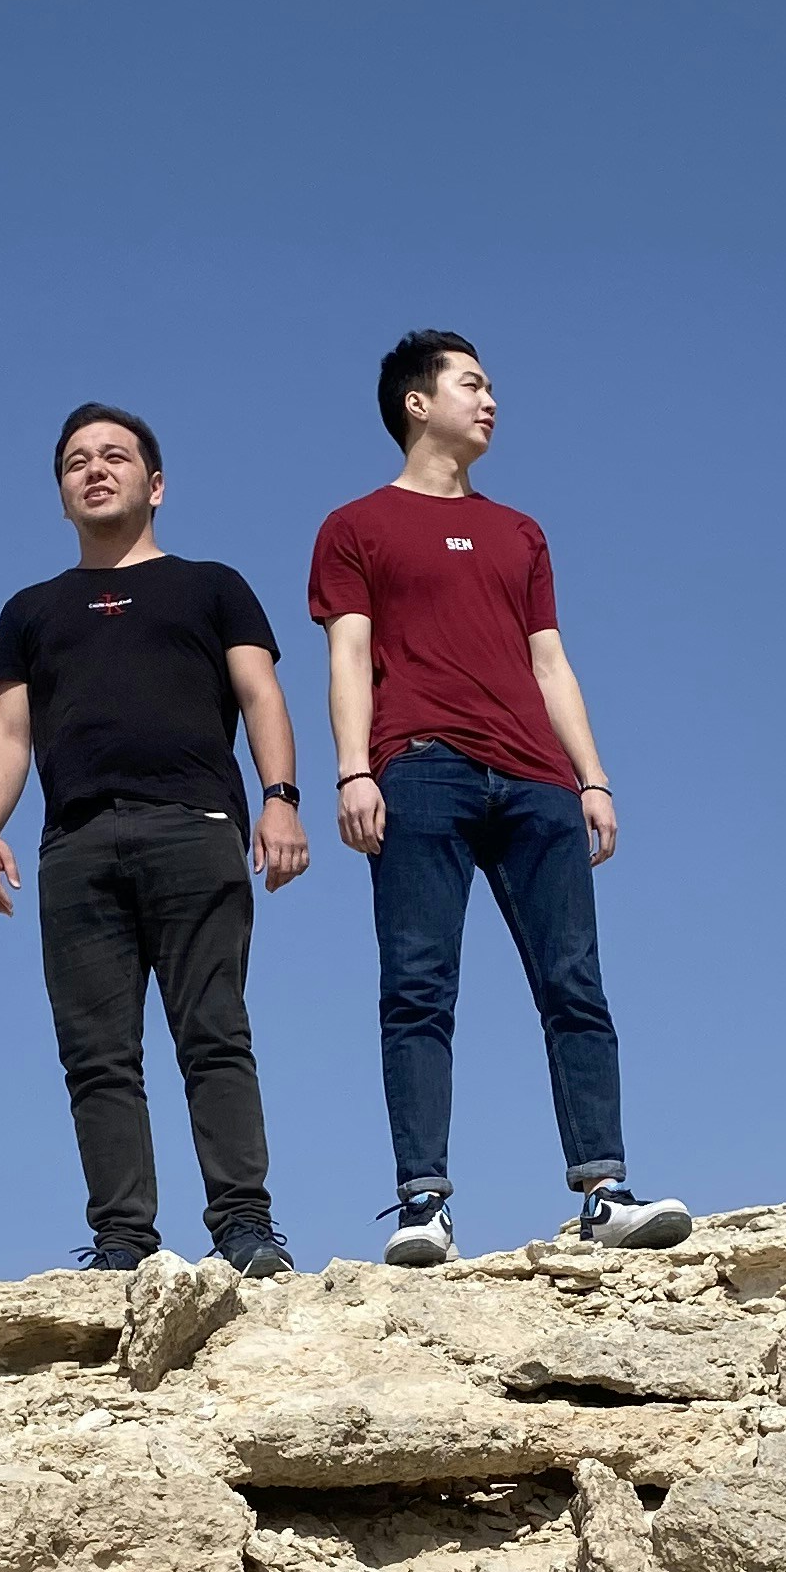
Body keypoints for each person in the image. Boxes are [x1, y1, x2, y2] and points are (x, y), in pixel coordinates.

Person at [309, 330, 688, 1267]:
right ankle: (423, 1205)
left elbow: (549, 662)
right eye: (471, 384)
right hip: (420, 769)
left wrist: (592, 776)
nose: (489, 401)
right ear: (415, 402)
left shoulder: (521, 531)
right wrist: (353, 769)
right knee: (418, 988)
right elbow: (347, 655)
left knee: (574, 982)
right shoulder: (354, 526)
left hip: (536, 780)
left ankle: (605, 1192)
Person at [0, 403, 307, 1274]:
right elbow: (12, 730)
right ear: (61, 494)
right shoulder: (31, 609)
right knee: (96, 1057)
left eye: (115, 456)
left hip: (193, 829)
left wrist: (280, 800)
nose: (96, 469)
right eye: (77, 461)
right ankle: (123, 1242)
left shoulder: (211, 585)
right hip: (74, 847)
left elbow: (262, 694)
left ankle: (244, 1228)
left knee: (214, 1034)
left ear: (154, 484)